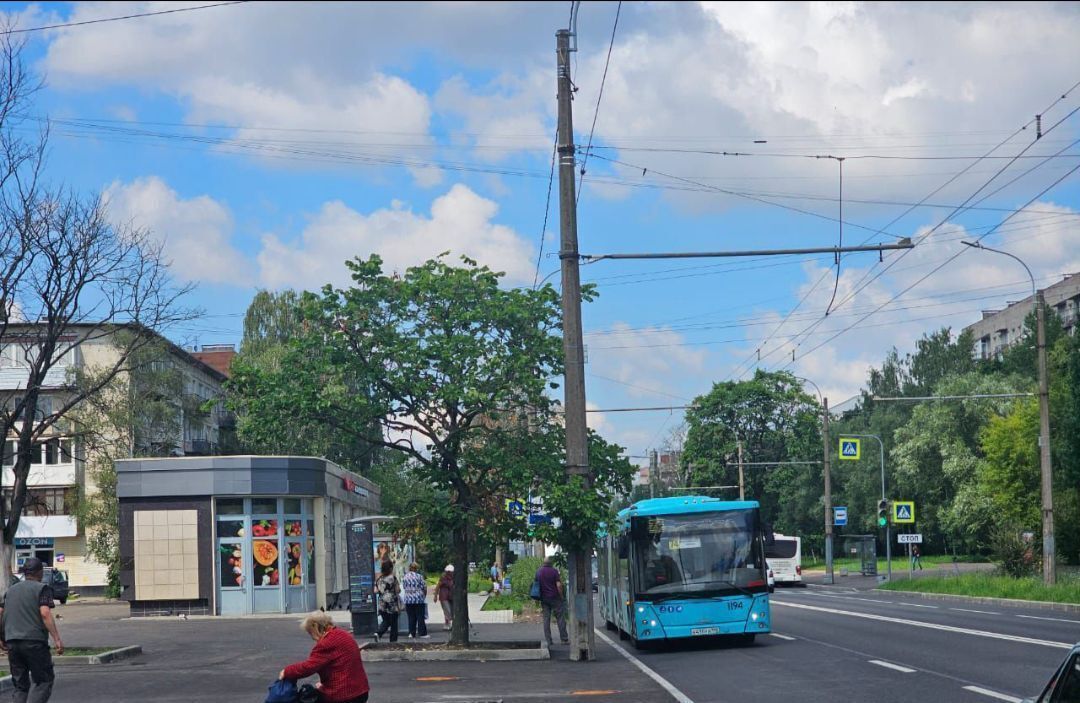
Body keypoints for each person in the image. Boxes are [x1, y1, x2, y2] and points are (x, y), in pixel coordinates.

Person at [0, 557, 64, 703]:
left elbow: (0, 613)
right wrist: (57, 639)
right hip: (34, 642)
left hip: (13, 643)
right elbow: (45, 613)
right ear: (40, 572)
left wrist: (1, 637)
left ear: (25, 572)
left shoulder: (11, 591)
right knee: (43, 681)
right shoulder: (42, 588)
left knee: (21, 686)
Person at [280, 611, 369, 703]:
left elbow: (308, 667)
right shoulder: (343, 634)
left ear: (315, 627)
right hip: (360, 691)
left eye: (310, 633)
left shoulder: (326, 643)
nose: (312, 637)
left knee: (305, 698)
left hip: (344, 695)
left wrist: (287, 671)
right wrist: (325, 686)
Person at [535, 558, 568, 646]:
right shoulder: (554, 571)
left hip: (544, 598)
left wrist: (536, 600)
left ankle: (549, 640)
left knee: (546, 619)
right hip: (555, 597)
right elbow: (558, 585)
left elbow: (536, 586)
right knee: (560, 618)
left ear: (543, 563)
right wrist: (561, 596)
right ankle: (564, 639)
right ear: (551, 563)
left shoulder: (538, 572)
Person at [374, 560, 402, 642]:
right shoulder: (393, 578)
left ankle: (378, 633)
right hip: (392, 603)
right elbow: (398, 590)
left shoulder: (379, 579)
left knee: (386, 621)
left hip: (382, 603)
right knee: (394, 624)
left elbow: (375, 591)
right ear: (390, 568)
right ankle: (393, 642)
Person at [402, 563, 429, 639]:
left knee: (411, 617)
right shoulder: (419, 576)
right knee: (420, 616)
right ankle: (422, 633)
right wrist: (423, 596)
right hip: (418, 598)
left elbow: (404, 587)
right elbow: (424, 587)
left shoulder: (405, 577)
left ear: (409, 568)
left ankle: (411, 633)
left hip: (408, 599)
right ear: (416, 568)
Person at [434, 565, 455, 630]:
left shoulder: (454, 577)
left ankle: (447, 624)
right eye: (449, 571)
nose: (451, 573)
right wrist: (435, 596)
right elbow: (437, 587)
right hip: (444, 596)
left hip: (452, 596)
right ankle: (449, 624)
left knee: (451, 610)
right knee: (447, 610)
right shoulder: (443, 578)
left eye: (451, 571)